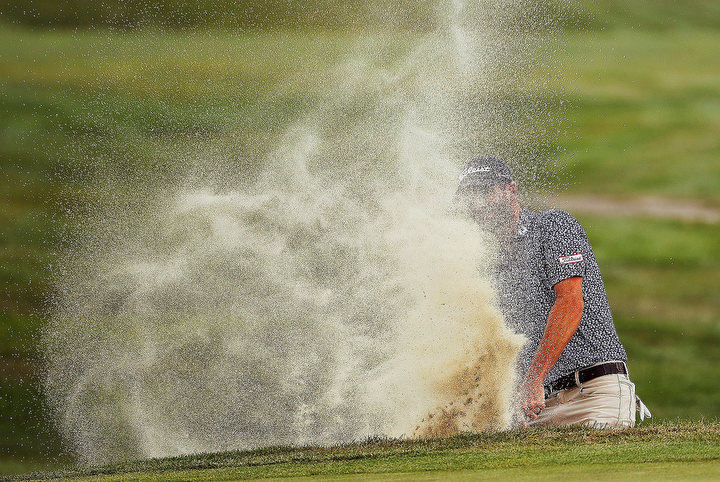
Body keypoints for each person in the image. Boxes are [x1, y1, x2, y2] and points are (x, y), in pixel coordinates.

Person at [455, 156, 651, 428]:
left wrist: (534, 378)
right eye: (469, 195)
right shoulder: (486, 262)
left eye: (486, 191)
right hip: (537, 406)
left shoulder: (553, 226)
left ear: (511, 190)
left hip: (592, 393)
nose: (477, 203)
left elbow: (570, 302)